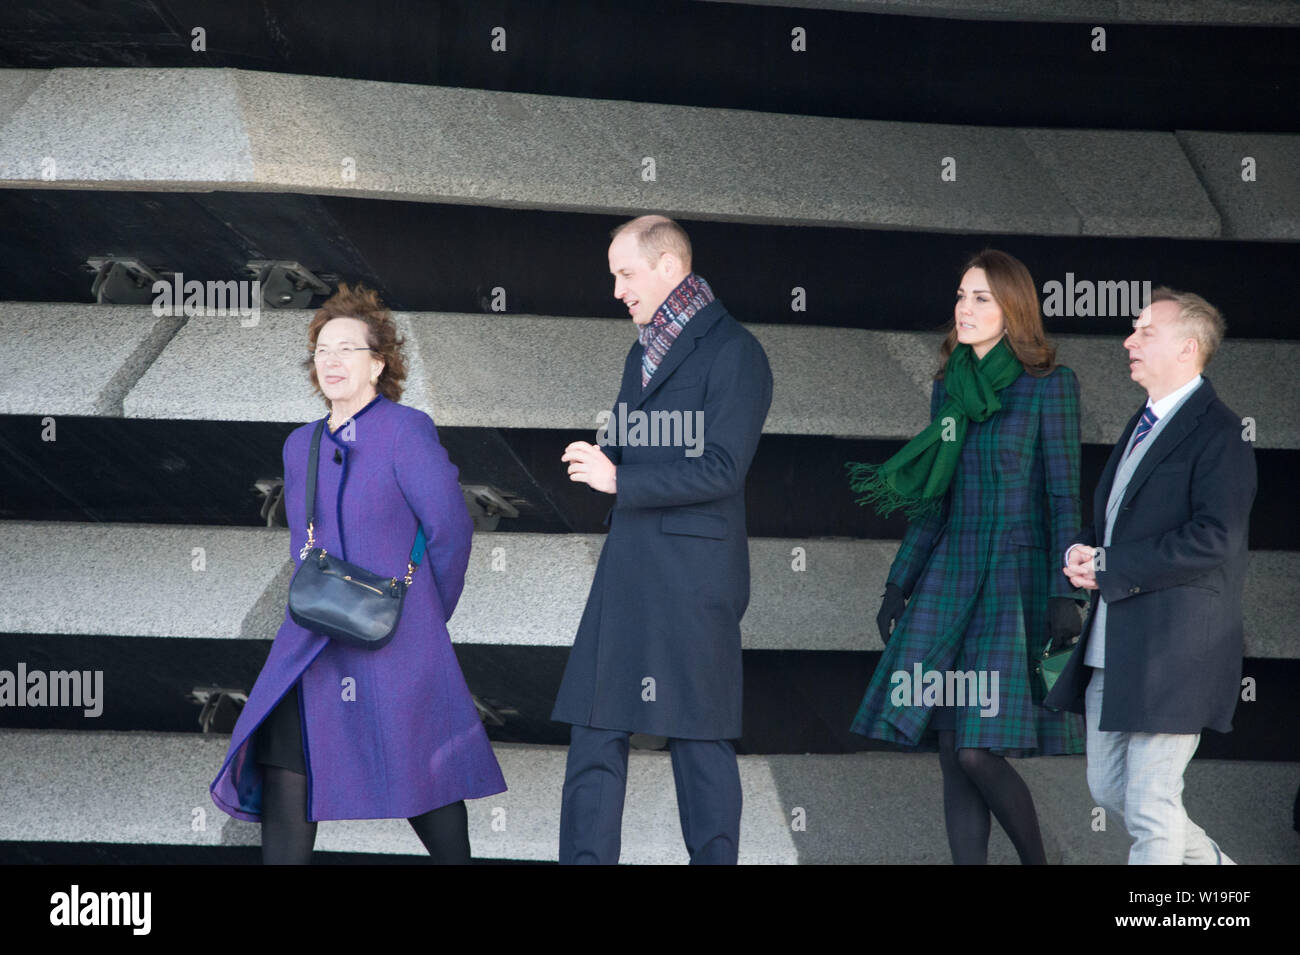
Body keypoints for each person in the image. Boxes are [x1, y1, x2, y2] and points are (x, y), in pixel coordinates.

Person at [210, 282, 506, 863]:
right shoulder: (303, 445)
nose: (331, 360)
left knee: (424, 776)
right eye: (321, 350)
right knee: (285, 761)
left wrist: (422, 616)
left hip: (394, 634)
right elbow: (304, 544)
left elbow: (451, 528)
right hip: (313, 635)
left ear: (378, 363)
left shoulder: (405, 429)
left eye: (347, 348)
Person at [847, 249, 1087, 865]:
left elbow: (1064, 495)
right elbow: (934, 499)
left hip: (1014, 578)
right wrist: (897, 585)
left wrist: (1069, 590)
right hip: (951, 574)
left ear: (1014, 311)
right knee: (953, 749)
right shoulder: (948, 390)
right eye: (960, 296)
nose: (965, 308)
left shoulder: (1049, 387)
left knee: (979, 750)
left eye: (981, 298)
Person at [552, 215, 773, 864]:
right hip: (630, 564)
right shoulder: (640, 350)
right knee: (595, 730)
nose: (617, 288)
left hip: (694, 575)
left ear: (670, 268)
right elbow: (629, 446)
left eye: (626, 273)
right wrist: (607, 454)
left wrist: (619, 475)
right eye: (614, 275)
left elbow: (724, 467)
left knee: (699, 741)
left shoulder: (736, 352)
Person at [1047, 287, 1255, 865]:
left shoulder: (1219, 433)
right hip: (1115, 643)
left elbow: (1215, 538)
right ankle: (1213, 869)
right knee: (1111, 790)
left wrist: (1114, 564)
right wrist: (1092, 555)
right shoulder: (1143, 422)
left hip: (1176, 648)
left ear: (1188, 348)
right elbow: (1129, 525)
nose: (1128, 341)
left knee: (1149, 801)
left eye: (1145, 332)